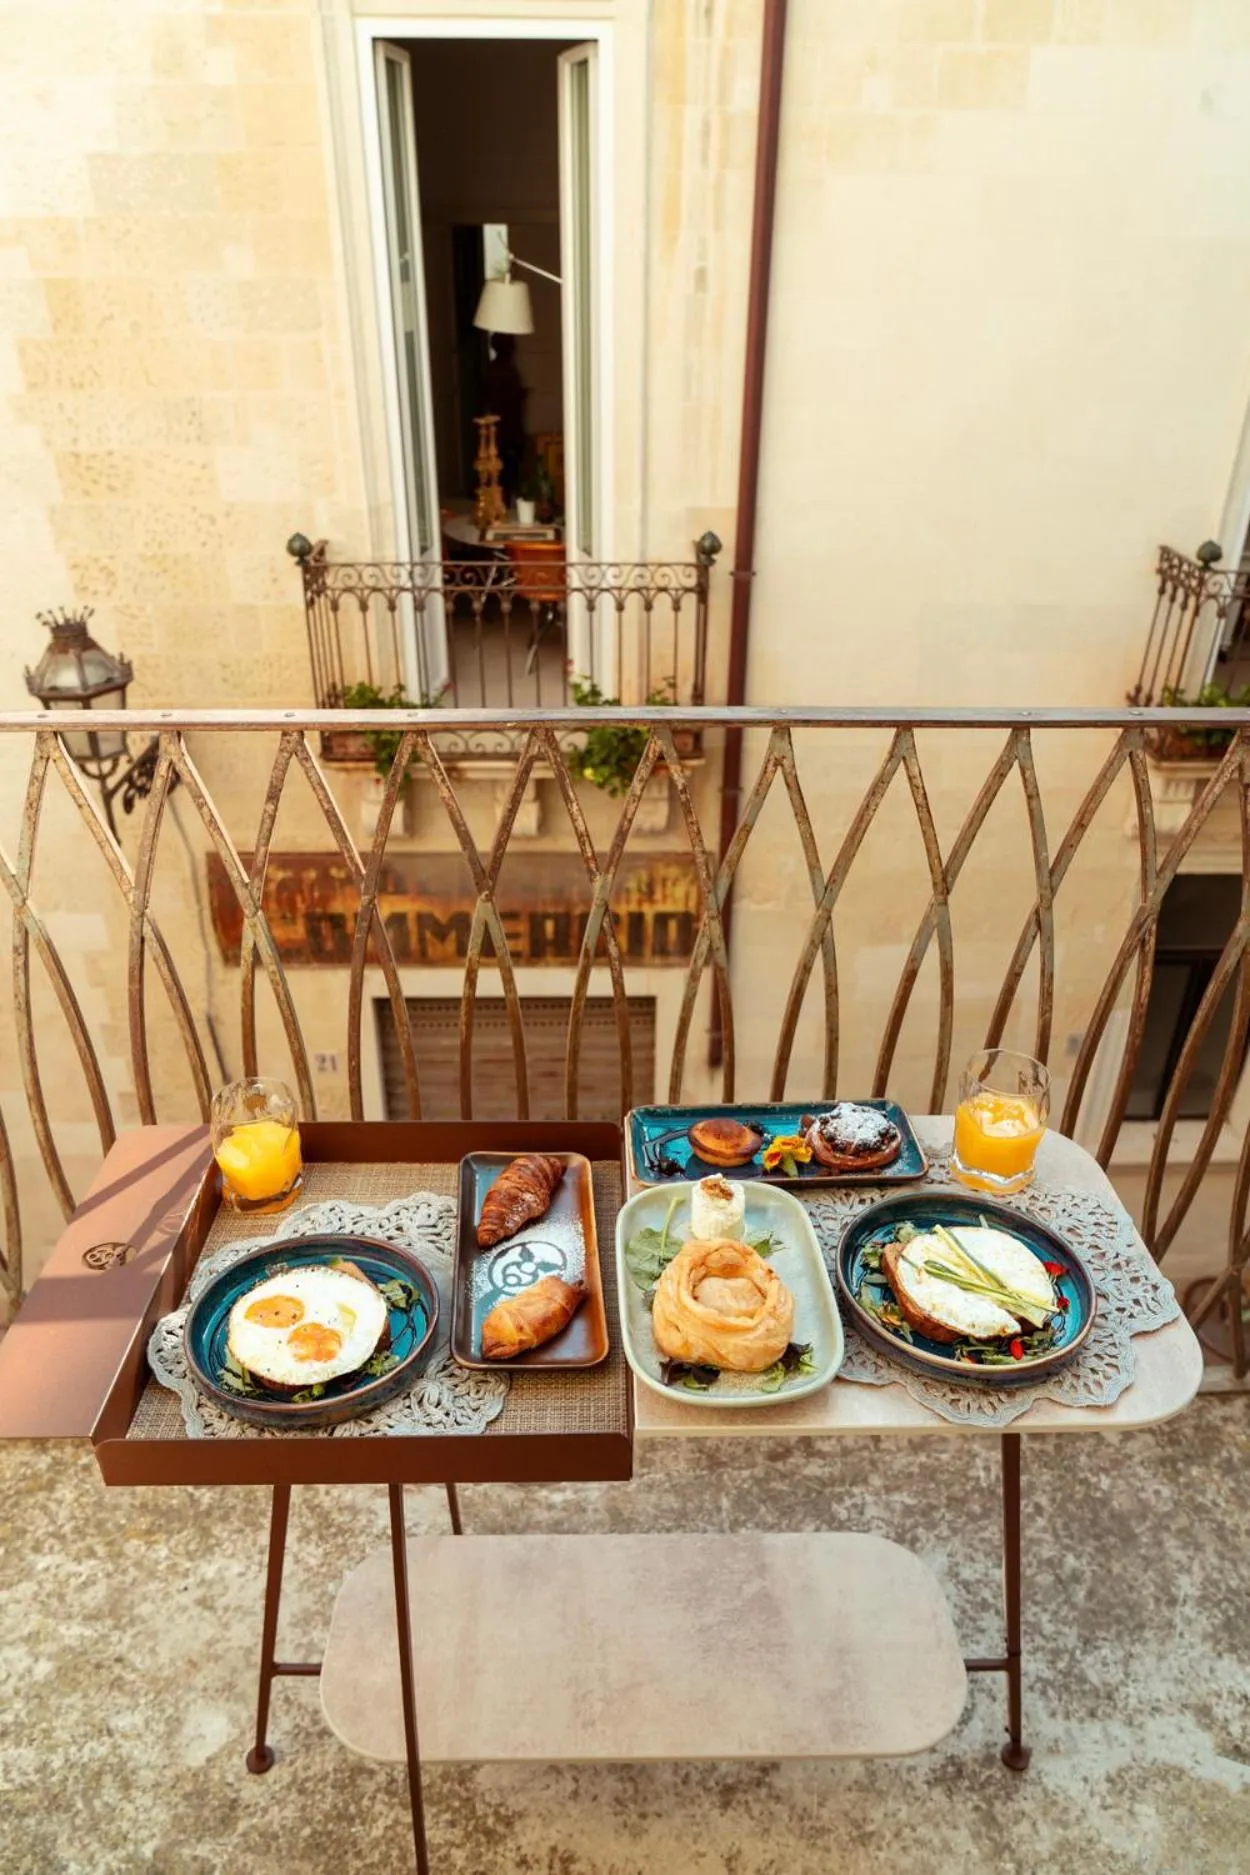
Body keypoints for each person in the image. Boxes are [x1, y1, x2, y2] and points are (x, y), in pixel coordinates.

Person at [482, 333, 528, 507]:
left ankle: (502, 501)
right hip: (508, 429)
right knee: (507, 470)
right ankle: (503, 503)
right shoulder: (507, 370)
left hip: (502, 429)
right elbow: (509, 398)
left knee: (502, 470)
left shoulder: (492, 369)